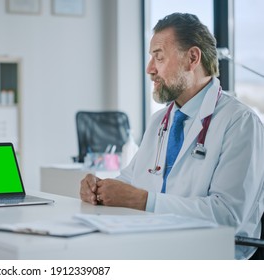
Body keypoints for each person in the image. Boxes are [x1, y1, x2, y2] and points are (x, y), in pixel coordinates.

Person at [80, 13, 264, 260]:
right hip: (159, 247)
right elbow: (131, 179)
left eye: (159, 57)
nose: (149, 69)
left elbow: (228, 215)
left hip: (213, 257)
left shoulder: (240, 122)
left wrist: (145, 201)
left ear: (192, 58)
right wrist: (99, 188)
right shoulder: (160, 121)